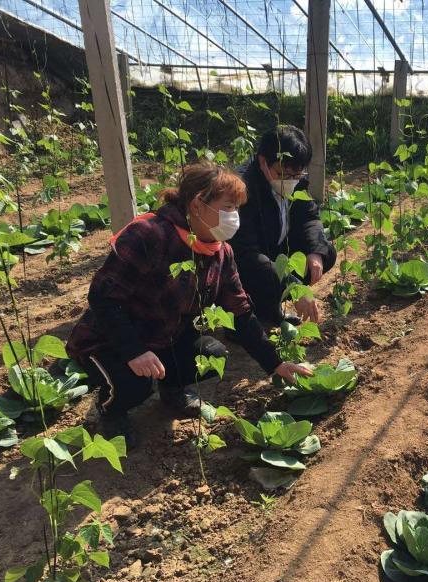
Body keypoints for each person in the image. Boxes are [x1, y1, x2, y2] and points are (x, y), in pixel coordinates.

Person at [66, 160, 312, 447]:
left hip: (166, 335)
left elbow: (241, 314)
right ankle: (110, 410)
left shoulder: (221, 253)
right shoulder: (149, 235)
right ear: (197, 204)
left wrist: (276, 363)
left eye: (237, 208)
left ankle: (173, 390)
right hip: (110, 339)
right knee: (135, 384)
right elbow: (102, 298)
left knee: (212, 354)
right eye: (228, 207)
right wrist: (135, 351)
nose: (235, 216)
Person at [232, 124, 336, 325]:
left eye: (297, 174)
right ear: (263, 162)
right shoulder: (243, 188)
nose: (290, 181)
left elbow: (310, 217)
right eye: (283, 174)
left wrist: (316, 253)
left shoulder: (295, 181)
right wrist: (293, 286)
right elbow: (245, 254)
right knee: (253, 271)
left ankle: (270, 309)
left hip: (273, 255)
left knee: (325, 252)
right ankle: (245, 316)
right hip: (247, 265)